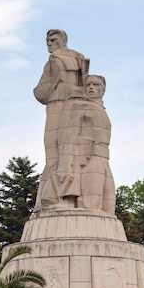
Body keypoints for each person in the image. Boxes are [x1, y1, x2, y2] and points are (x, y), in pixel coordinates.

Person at [33, 29, 89, 211]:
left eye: (52, 39)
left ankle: (57, 196)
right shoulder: (79, 60)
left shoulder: (54, 61)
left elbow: (41, 93)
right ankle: (58, 195)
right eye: (47, 40)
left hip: (57, 107)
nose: (48, 43)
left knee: (54, 152)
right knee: (70, 150)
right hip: (77, 108)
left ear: (62, 41)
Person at [55, 74, 116, 212]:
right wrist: (66, 162)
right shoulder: (80, 106)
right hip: (87, 158)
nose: (91, 88)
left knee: (108, 206)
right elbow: (69, 136)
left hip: (104, 158)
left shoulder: (101, 110)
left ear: (103, 89)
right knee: (89, 205)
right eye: (88, 85)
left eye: (96, 85)